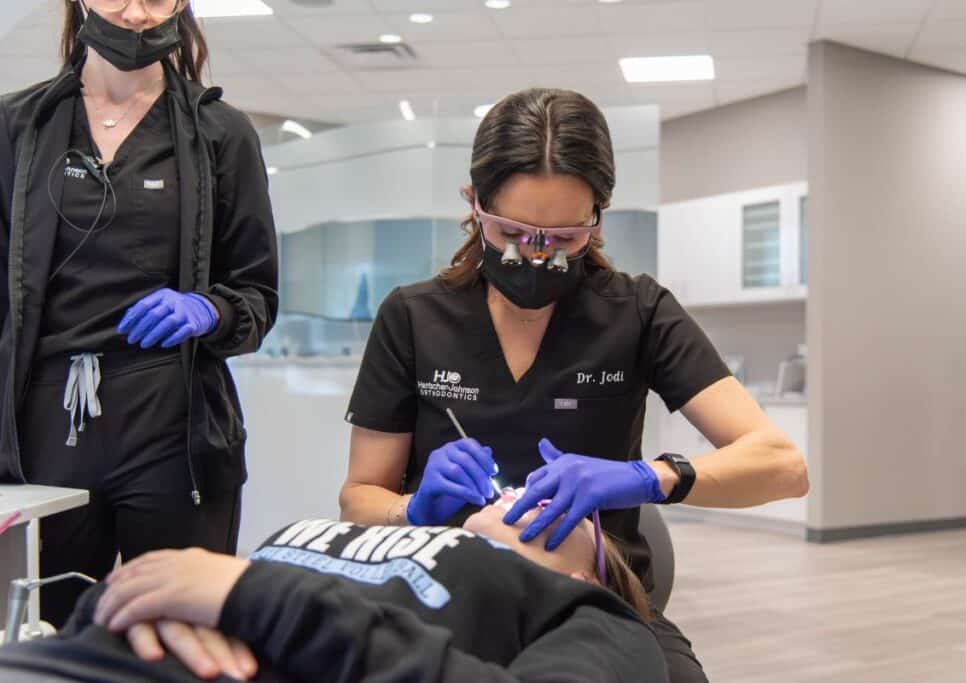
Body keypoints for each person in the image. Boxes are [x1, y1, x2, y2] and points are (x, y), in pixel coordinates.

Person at [338, 87, 810, 682]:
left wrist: (648, 478)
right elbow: (358, 498)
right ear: (474, 203)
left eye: (563, 238)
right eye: (514, 232)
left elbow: (783, 466)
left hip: (593, 602)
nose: (536, 256)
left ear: (597, 218)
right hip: (445, 588)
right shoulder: (413, 318)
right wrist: (411, 509)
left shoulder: (638, 313)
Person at [0, 0, 278, 627]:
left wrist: (209, 309)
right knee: (52, 637)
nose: (133, 14)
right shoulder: (18, 126)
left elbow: (258, 294)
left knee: (182, 632)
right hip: (46, 427)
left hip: (170, 422)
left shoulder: (220, 133)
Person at [0, 490, 668, 683]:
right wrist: (134, 604)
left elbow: (245, 596)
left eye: (562, 505)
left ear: (590, 573)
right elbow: (171, 586)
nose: (525, 486)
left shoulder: (599, 618)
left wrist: (255, 597)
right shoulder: (410, 535)